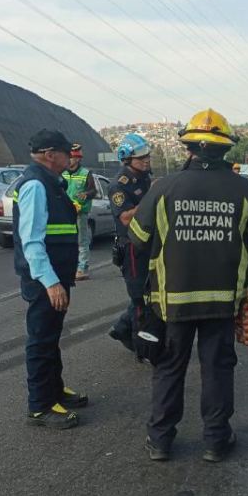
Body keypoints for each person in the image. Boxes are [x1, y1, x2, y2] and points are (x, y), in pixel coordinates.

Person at [128, 108, 248, 463]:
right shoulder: (243, 189)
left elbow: (139, 237)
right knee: (217, 368)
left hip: (172, 301)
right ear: (225, 150)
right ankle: (216, 441)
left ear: (189, 148)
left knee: (169, 368)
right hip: (222, 301)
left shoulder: (165, 188)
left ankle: (160, 441)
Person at [12, 130, 88, 429]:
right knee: (41, 340)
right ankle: (40, 406)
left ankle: (54, 391)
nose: (71, 157)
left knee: (51, 338)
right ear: (49, 154)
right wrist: (51, 282)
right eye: (66, 152)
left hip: (55, 275)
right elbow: (31, 241)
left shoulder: (50, 182)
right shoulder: (35, 185)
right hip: (45, 280)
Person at [108, 133, 154, 358]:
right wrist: (150, 200)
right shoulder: (119, 185)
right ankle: (141, 347)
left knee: (150, 292)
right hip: (132, 246)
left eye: (147, 156)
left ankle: (122, 328)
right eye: (141, 158)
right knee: (139, 298)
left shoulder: (145, 177)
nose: (146, 160)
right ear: (127, 159)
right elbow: (125, 217)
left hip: (148, 242)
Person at [63, 144, 98, 281]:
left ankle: (82, 269)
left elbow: (93, 191)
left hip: (80, 213)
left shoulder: (85, 173)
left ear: (77, 159)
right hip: (65, 213)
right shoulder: (63, 173)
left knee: (81, 242)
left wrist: (86, 194)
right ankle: (70, 267)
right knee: (67, 241)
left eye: (71, 157)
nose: (68, 160)